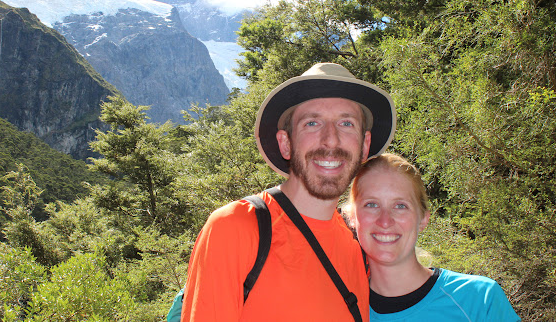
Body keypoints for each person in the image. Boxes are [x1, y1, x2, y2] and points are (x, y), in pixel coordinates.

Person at [180, 63, 397, 321]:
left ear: (364, 145)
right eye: (312, 123)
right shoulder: (237, 228)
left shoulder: (358, 245)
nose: (331, 139)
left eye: (346, 123)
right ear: (286, 143)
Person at [346, 153, 520, 321]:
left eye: (400, 206)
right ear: (352, 217)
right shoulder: (342, 310)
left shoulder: (479, 300)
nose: (385, 221)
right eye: (371, 204)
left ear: (423, 219)